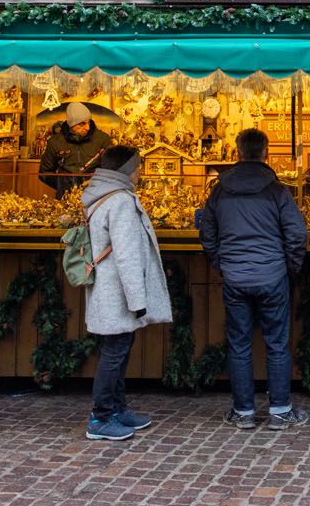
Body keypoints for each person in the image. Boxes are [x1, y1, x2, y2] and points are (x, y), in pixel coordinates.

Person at [197, 128, 310, 430]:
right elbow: (297, 235)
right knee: (276, 344)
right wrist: (289, 267)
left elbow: (207, 232)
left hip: (235, 277)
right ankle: (280, 411)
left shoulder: (219, 190)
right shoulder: (277, 191)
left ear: (237, 152)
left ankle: (244, 412)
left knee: (239, 343)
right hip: (272, 275)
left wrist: (221, 262)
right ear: (266, 153)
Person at [82, 145, 173, 441]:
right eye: (137, 166)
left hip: (110, 290)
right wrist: (138, 301)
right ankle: (101, 417)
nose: (139, 172)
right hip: (118, 292)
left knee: (119, 350)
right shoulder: (120, 202)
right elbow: (127, 255)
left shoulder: (103, 198)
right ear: (125, 170)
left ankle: (118, 409)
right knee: (114, 353)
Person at [38, 101, 111, 198]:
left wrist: (97, 183)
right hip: (67, 197)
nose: (87, 127)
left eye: (88, 122)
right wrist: (63, 186)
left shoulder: (102, 139)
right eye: (82, 124)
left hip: (96, 196)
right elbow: (44, 173)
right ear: (71, 124)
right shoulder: (55, 142)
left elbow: (113, 169)